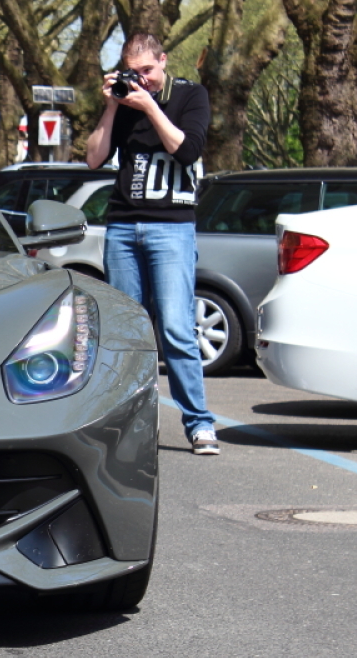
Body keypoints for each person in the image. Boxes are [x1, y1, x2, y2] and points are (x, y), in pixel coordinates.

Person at [85, 32, 220, 455]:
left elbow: (188, 149)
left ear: (163, 61)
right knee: (126, 332)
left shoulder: (189, 95)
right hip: (124, 227)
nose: (142, 80)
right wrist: (112, 105)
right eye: (133, 73)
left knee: (177, 328)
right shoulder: (124, 103)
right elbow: (92, 158)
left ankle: (199, 424)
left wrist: (150, 107)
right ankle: (128, 424)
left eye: (148, 71)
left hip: (172, 227)